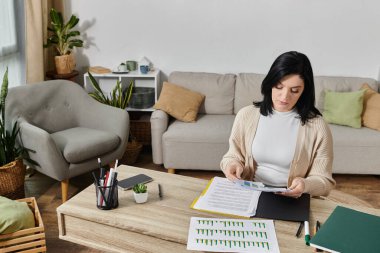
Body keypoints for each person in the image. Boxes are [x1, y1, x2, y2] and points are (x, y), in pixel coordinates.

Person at [220, 51, 335, 197]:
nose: (284, 96)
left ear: (304, 92)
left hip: (291, 199)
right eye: (279, 87)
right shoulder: (246, 115)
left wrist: (305, 185)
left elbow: (324, 182)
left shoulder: (318, 127)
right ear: (270, 84)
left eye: (294, 90)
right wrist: (232, 165)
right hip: (249, 192)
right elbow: (232, 156)